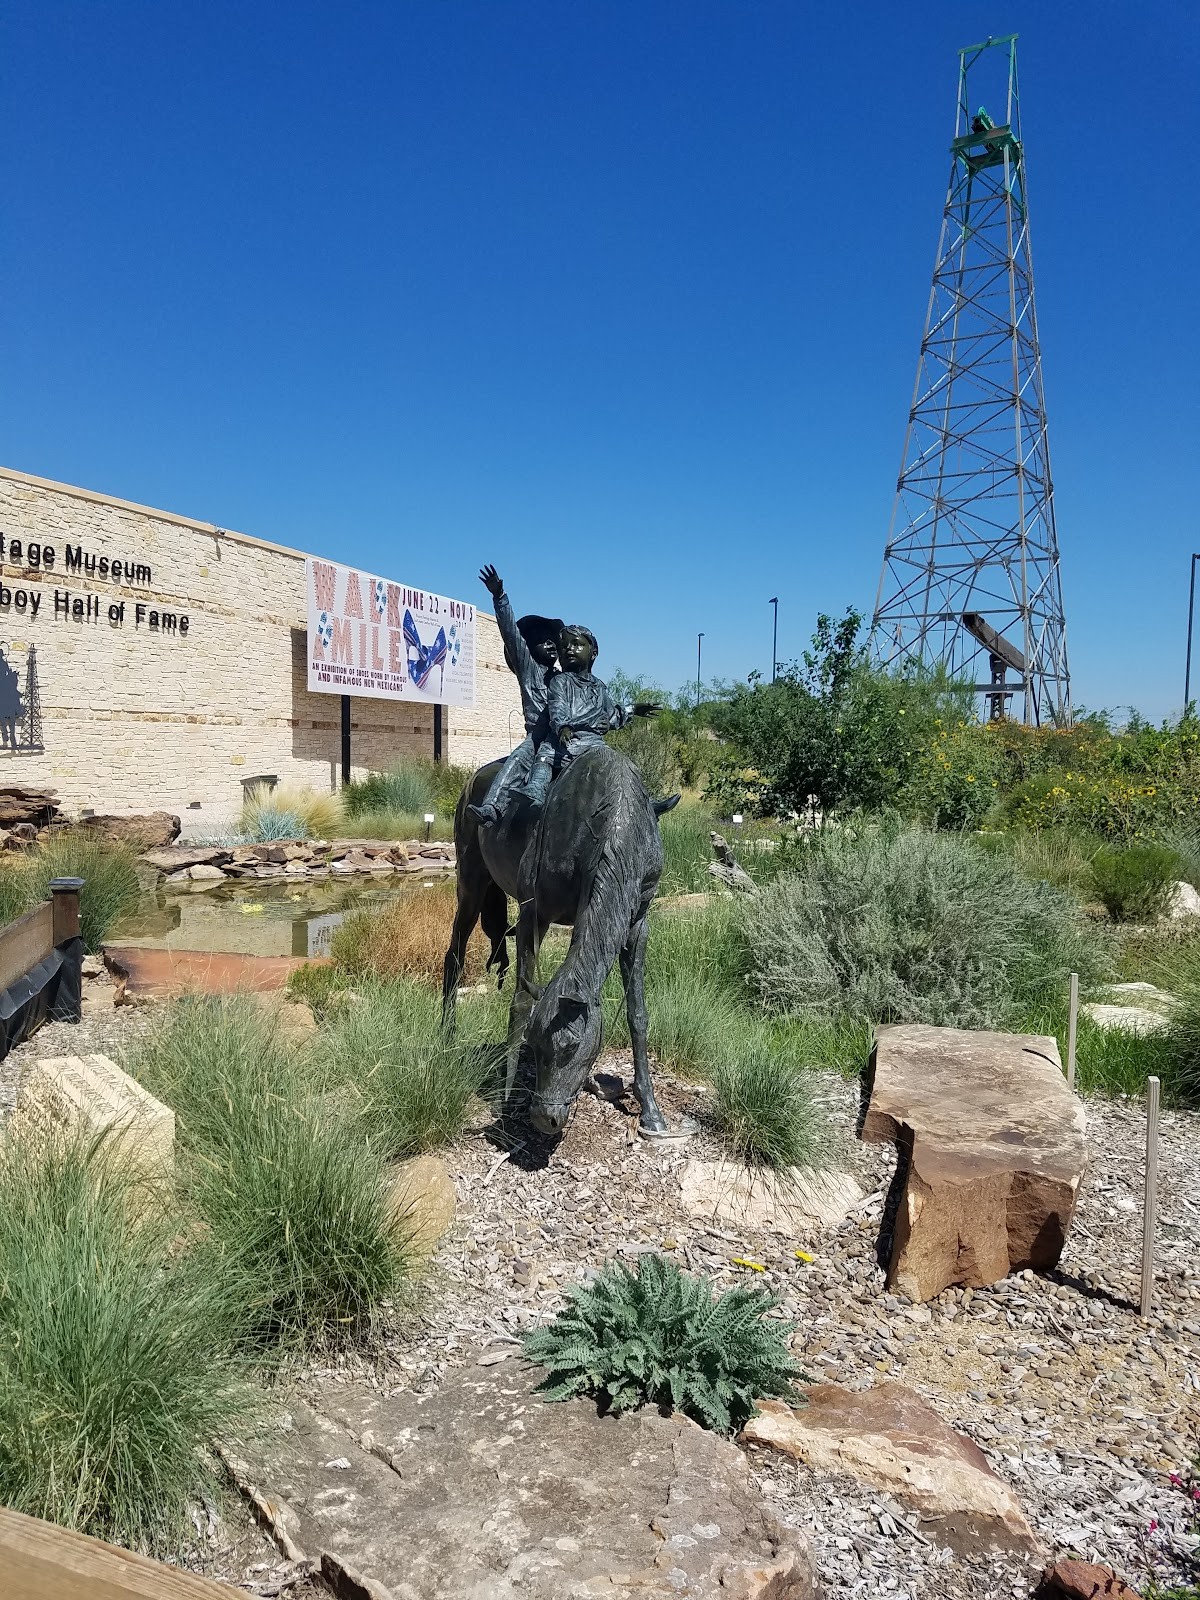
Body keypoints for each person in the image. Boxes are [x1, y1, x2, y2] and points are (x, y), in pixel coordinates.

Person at [514, 622, 658, 808]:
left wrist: (631, 709)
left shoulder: (599, 687)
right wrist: (563, 727)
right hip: (565, 744)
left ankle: (643, 804)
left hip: (594, 745)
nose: (569, 649)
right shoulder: (560, 681)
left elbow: (612, 714)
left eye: (576, 644)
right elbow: (558, 708)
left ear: (593, 653)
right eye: (564, 646)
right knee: (544, 756)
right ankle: (535, 788)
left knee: (623, 766)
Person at [466, 564, 563, 826]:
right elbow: (511, 633)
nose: (551, 644)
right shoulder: (529, 669)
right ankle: (493, 808)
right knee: (518, 759)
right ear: (530, 649)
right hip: (538, 737)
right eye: (544, 641)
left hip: (566, 738)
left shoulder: (564, 680)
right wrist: (500, 597)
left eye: (553, 641)